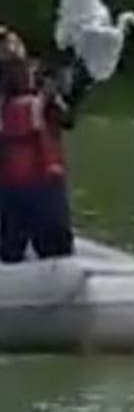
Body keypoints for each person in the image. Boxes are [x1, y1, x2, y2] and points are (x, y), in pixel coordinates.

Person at [0, 27, 93, 264]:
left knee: (53, 245)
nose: (8, 47)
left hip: (43, 184)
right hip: (9, 188)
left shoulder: (43, 81)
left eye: (9, 40)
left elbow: (66, 117)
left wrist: (64, 93)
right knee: (9, 247)